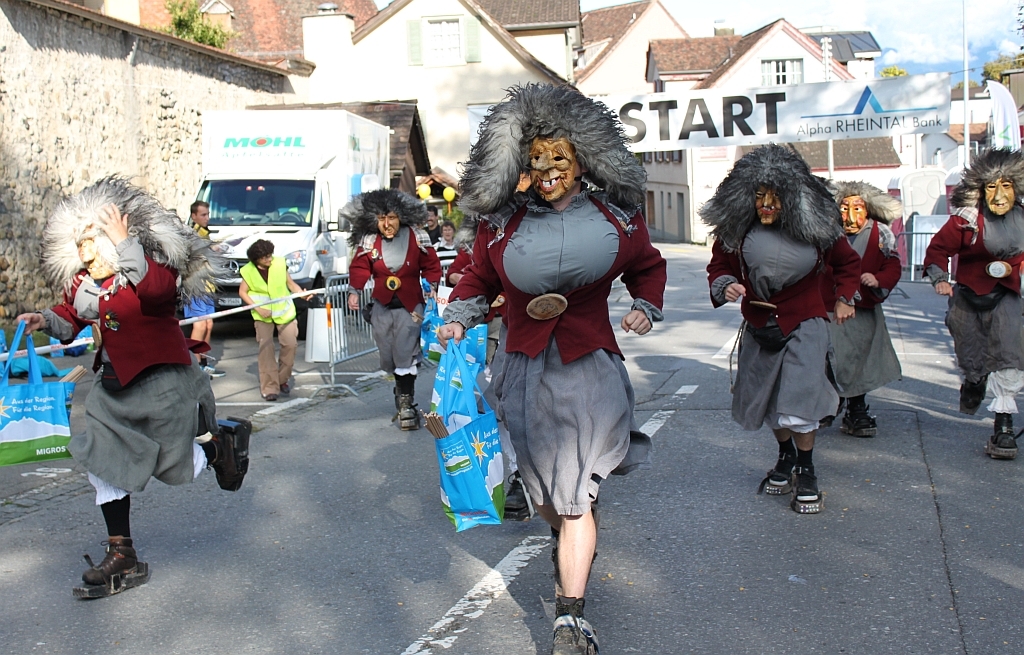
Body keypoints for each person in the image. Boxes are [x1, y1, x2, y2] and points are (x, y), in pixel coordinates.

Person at [438, 83, 666, 655]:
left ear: (583, 158)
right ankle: (572, 539)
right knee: (547, 496)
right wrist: (459, 318)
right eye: (534, 159)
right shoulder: (499, 226)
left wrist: (645, 305)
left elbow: (648, 266)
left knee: (574, 496)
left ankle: (570, 617)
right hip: (520, 369)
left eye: (558, 157)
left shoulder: (617, 218)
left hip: (589, 364)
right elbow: (475, 280)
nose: (546, 170)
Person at [15, 176, 247, 597]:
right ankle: (122, 554)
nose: (86, 253)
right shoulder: (86, 281)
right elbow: (72, 317)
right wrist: (43, 320)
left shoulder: (148, 268)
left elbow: (158, 295)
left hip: (163, 380)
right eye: (81, 246)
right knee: (102, 465)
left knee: (171, 466)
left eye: (93, 243)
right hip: (112, 386)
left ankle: (218, 447)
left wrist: (125, 243)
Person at [703, 144, 860, 515]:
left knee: (801, 399)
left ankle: (807, 470)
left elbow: (847, 265)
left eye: (776, 197)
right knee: (770, 403)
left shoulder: (821, 228)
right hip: (759, 323)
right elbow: (718, 265)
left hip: (805, 321)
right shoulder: (735, 230)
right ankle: (785, 455)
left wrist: (845, 298)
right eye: (760, 196)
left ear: (794, 197)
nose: (767, 205)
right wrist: (725, 284)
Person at [924, 148, 1024, 460]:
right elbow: (937, 249)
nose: (998, 194)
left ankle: (1003, 426)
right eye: (991, 187)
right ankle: (974, 381)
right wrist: (940, 276)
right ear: (980, 190)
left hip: (1006, 295)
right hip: (967, 296)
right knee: (972, 357)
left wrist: (1018, 269)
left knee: (1008, 354)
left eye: (1006, 186)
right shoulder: (966, 221)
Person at [345, 189, 442, 431]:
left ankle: (407, 402)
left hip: (412, 308)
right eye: (381, 219)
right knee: (388, 353)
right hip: (382, 306)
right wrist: (354, 291)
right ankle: (401, 392)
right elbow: (359, 267)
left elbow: (431, 264)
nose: (386, 224)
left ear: (402, 216)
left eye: (391, 217)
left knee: (405, 350)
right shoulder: (369, 240)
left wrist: (432, 284)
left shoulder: (417, 236)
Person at [820, 181, 903, 436]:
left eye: (857, 208)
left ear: (867, 209)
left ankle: (857, 408)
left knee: (861, 359)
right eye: (844, 208)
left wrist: (879, 280)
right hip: (832, 308)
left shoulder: (881, 235)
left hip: (864, 310)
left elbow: (893, 265)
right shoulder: (825, 233)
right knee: (831, 356)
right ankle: (830, 401)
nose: (850, 216)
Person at [238, 239, 310, 401]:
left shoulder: (279, 263)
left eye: (270, 255)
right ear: (256, 259)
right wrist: (257, 308)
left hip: (284, 312)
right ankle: (270, 388)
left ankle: (282, 379)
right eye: (265, 258)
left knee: (290, 345)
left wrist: (301, 293)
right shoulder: (248, 270)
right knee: (266, 349)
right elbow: (243, 292)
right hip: (262, 315)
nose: (269, 259)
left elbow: (291, 284)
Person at [184, 200, 224, 377]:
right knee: (199, 324)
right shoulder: (191, 233)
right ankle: (194, 363)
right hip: (195, 285)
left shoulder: (204, 233)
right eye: (203, 215)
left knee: (209, 324)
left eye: (208, 214)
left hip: (208, 285)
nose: (207, 218)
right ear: (193, 216)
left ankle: (204, 361)